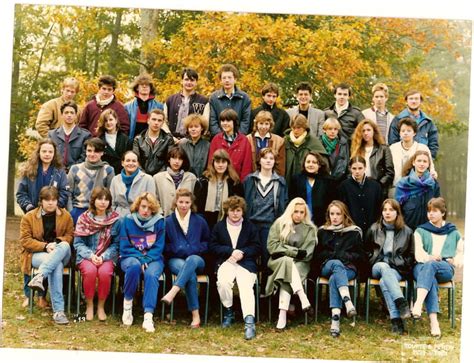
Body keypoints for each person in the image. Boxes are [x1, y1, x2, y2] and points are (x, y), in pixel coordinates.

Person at [209, 196, 260, 340]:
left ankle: (249, 321)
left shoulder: (250, 226)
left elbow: (257, 247)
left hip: (246, 263)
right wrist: (230, 251)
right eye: (232, 210)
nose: (235, 214)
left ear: (242, 211)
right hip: (226, 262)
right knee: (223, 282)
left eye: (238, 210)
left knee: (245, 286)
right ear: (227, 211)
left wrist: (242, 253)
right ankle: (228, 311)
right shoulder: (219, 227)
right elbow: (212, 246)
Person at [411, 197, 463, 338]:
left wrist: (456, 260)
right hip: (422, 266)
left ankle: (418, 302)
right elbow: (418, 254)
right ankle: (434, 323)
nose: (431, 214)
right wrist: (429, 257)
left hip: (444, 268)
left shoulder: (453, 231)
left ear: (443, 212)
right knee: (430, 275)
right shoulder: (420, 231)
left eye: (434, 211)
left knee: (432, 266)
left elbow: (462, 252)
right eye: (429, 211)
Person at [21, 186, 74, 324]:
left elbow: (70, 236)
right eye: (47, 200)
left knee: (64, 245)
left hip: (62, 252)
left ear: (57, 201)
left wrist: (55, 244)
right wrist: (45, 246)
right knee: (56, 265)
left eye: (54, 200)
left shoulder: (66, 215)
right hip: (39, 254)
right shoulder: (29, 217)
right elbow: (25, 241)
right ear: (41, 201)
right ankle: (59, 312)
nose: (51, 203)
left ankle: (40, 276)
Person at [314, 200, 365, 337]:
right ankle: (347, 302)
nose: (335, 217)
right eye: (332, 214)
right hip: (327, 266)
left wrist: (345, 255)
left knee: (334, 279)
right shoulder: (322, 232)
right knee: (336, 264)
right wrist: (333, 255)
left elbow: (360, 256)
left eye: (338, 214)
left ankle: (335, 320)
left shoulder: (354, 232)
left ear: (344, 215)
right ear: (328, 215)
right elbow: (317, 255)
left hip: (348, 269)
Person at [264, 197, 317, 330]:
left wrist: (289, 253)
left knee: (287, 271)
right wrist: (293, 252)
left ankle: (282, 316)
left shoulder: (310, 228)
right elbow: (272, 246)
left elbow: (307, 253)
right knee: (287, 263)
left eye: (301, 212)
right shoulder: (279, 223)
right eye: (296, 211)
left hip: (301, 263)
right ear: (290, 211)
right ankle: (302, 296)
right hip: (278, 261)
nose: (298, 215)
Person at [161, 189, 210, 328]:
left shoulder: (199, 220)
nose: (183, 205)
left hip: (197, 259)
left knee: (192, 260)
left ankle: (173, 291)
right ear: (176, 202)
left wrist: (195, 249)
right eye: (181, 202)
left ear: (191, 203)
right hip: (176, 259)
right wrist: (177, 249)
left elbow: (207, 242)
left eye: (187, 202)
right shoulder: (168, 221)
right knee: (191, 275)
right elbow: (163, 245)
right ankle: (196, 315)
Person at [365, 199, 414, 335]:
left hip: (397, 269)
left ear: (397, 213)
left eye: (391, 210)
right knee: (383, 267)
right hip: (377, 266)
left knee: (384, 280)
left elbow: (411, 255)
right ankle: (401, 301)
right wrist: (372, 259)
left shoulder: (407, 232)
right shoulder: (374, 229)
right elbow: (366, 250)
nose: (387, 213)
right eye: (385, 209)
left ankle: (396, 320)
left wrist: (401, 263)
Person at [119, 192, 165, 332]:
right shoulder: (127, 220)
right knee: (134, 266)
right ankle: (127, 306)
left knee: (151, 274)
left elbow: (159, 246)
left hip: (153, 258)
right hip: (130, 256)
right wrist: (140, 258)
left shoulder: (159, 222)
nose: (146, 210)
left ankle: (148, 315)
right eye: (143, 206)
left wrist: (146, 259)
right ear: (137, 206)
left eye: (149, 208)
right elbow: (124, 246)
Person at [73, 187, 121, 321]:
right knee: (90, 271)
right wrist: (91, 256)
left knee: (105, 273)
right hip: (86, 256)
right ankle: (89, 305)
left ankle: (101, 306)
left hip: (107, 256)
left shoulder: (115, 220)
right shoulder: (83, 218)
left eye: (106, 199)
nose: (103, 202)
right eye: (100, 199)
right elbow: (78, 243)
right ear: (93, 200)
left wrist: (103, 257)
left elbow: (116, 245)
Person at [243, 148, 288, 285]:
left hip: (270, 225)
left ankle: (266, 291)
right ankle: (250, 289)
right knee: (249, 257)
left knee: (267, 258)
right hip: (251, 224)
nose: (268, 161)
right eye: (265, 158)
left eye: (271, 158)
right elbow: (245, 201)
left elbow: (283, 204)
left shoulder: (280, 181)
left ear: (274, 162)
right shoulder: (250, 179)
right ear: (259, 160)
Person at [67, 138, 115, 224]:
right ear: (85, 151)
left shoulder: (108, 170)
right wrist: (71, 212)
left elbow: (110, 194)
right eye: (89, 151)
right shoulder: (75, 169)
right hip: (78, 210)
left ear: (102, 153)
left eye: (96, 151)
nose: (92, 154)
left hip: (100, 212)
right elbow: (68, 193)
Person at [194, 149, 243, 230]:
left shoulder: (234, 182)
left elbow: (239, 204)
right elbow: (197, 204)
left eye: (223, 162)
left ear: (228, 164)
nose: (220, 165)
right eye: (217, 162)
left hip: (227, 220)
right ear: (213, 163)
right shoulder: (203, 181)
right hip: (205, 219)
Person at [16, 138, 69, 214]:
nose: (47, 154)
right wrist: (28, 207)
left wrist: (53, 207)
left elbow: (64, 193)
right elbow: (21, 193)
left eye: (50, 152)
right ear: (38, 152)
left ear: (54, 154)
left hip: (53, 215)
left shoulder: (60, 172)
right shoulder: (29, 170)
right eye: (44, 151)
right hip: (32, 214)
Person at [389, 117, 436, 195]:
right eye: (403, 131)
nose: (405, 133)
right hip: (396, 187)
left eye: (409, 130)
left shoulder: (422, 148)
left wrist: (433, 173)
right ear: (399, 133)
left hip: (417, 189)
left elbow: (431, 168)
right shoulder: (392, 148)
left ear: (414, 133)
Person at [394, 150, 440, 230]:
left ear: (428, 164)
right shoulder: (403, 183)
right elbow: (397, 209)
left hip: (428, 228)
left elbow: (438, 207)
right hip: (407, 228)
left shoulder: (433, 184)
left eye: (425, 161)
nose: (422, 164)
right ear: (413, 162)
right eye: (419, 161)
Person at [387, 89, 439, 159]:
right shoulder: (398, 120)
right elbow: (392, 141)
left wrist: (429, 159)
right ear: (406, 101)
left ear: (421, 101)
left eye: (416, 99)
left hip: (422, 162)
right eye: (411, 99)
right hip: (402, 160)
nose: (413, 101)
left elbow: (433, 143)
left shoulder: (428, 122)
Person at [338, 156, 383, 235]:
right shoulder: (344, 186)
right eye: (354, 168)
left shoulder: (375, 186)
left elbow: (379, 207)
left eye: (360, 168)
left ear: (365, 167)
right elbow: (341, 208)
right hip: (351, 228)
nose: (357, 171)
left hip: (371, 229)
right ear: (350, 168)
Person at [350, 119, 394, 197]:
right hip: (358, 189)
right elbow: (350, 170)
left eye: (368, 130)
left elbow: (389, 173)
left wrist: (377, 185)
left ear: (374, 131)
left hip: (377, 190)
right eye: (363, 131)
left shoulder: (384, 149)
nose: (366, 133)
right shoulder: (356, 149)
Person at [164, 68, 209, 142]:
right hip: (171, 141)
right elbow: (163, 121)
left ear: (196, 82)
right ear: (182, 81)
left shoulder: (204, 101)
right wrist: (170, 137)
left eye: (192, 80)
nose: (189, 82)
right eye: (186, 79)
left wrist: (188, 139)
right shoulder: (170, 100)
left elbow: (205, 124)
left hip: (193, 142)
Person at [208, 108, 252, 182]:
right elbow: (210, 162)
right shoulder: (216, 139)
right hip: (218, 180)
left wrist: (242, 184)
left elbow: (246, 166)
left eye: (228, 120)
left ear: (234, 122)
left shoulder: (244, 140)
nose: (225, 123)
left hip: (237, 182)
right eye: (222, 121)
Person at [290, 151, 332, 227]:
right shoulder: (296, 179)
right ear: (304, 164)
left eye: (314, 162)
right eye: (308, 162)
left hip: (322, 223)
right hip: (300, 222)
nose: (310, 164)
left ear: (319, 165)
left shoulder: (327, 181)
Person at [284, 113, 328, 186]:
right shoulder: (285, 141)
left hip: (308, 182)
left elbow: (323, 163)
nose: (295, 130)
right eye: (293, 127)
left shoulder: (313, 142)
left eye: (299, 128)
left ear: (304, 127)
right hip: (288, 181)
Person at [48, 101, 91, 172]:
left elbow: (85, 156)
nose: (69, 115)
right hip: (56, 172)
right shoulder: (52, 135)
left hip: (78, 173)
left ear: (75, 115)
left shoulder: (85, 135)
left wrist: (72, 169)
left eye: (72, 113)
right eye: (66, 112)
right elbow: (49, 154)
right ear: (61, 115)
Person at [110, 150, 156, 217]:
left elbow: (152, 203)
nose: (131, 163)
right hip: (119, 219)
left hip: (140, 218)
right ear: (122, 163)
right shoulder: (115, 179)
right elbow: (112, 203)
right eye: (128, 160)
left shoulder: (148, 179)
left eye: (134, 161)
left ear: (138, 164)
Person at [153, 146, 197, 217]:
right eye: (174, 158)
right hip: (165, 218)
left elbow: (194, 199)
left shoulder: (191, 177)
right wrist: (160, 213)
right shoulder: (157, 178)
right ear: (169, 159)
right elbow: (154, 199)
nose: (177, 161)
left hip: (186, 218)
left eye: (180, 159)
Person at [209, 64, 251, 136]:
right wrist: (221, 137)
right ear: (221, 80)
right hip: (219, 139)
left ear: (235, 79)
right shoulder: (214, 98)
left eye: (229, 77)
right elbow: (213, 121)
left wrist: (238, 137)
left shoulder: (244, 98)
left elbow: (245, 121)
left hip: (239, 139)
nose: (227, 80)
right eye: (224, 78)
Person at [132, 108, 174, 176]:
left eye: (159, 120)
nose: (156, 123)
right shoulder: (138, 139)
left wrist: (158, 176)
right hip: (142, 176)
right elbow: (135, 160)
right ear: (148, 121)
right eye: (154, 119)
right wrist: (145, 176)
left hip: (162, 176)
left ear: (163, 123)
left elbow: (169, 161)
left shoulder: (168, 139)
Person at [124, 73, 164, 140]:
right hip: (132, 142)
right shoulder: (127, 107)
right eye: (142, 84)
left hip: (152, 142)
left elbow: (162, 126)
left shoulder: (159, 106)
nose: (144, 86)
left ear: (151, 88)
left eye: (147, 85)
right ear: (137, 88)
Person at [246, 110, 285, 177]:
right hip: (252, 177)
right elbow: (246, 163)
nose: (264, 127)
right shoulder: (247, 139)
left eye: (266, 124)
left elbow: (280, 165)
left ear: (270, 125)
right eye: (261, 123)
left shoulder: (279, 141)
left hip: (272, 178)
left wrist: (275, 179)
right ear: (256, 124)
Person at [96, 108, 132, 174]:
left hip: (122, 174)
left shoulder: (126, 140)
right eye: (106, 121)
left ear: (116, 120)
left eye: (111, 119)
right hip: (104, 174)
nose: (108, 123)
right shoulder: (98, 140)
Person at [319, 118, 350, 186]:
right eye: (330, 129)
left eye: (335, 129)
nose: (333, 131)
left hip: (339, 181)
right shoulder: (319, 143)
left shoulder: (343, 143)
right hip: (322, 180)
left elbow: (347, 162)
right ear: (324, 130)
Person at [179, 113, 210, 178]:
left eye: (196, 126)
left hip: (202, 180)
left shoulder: (207, 145)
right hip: (184, 179)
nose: (193, 129)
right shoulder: (182, 143)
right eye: (190, 127)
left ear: (202, 128)